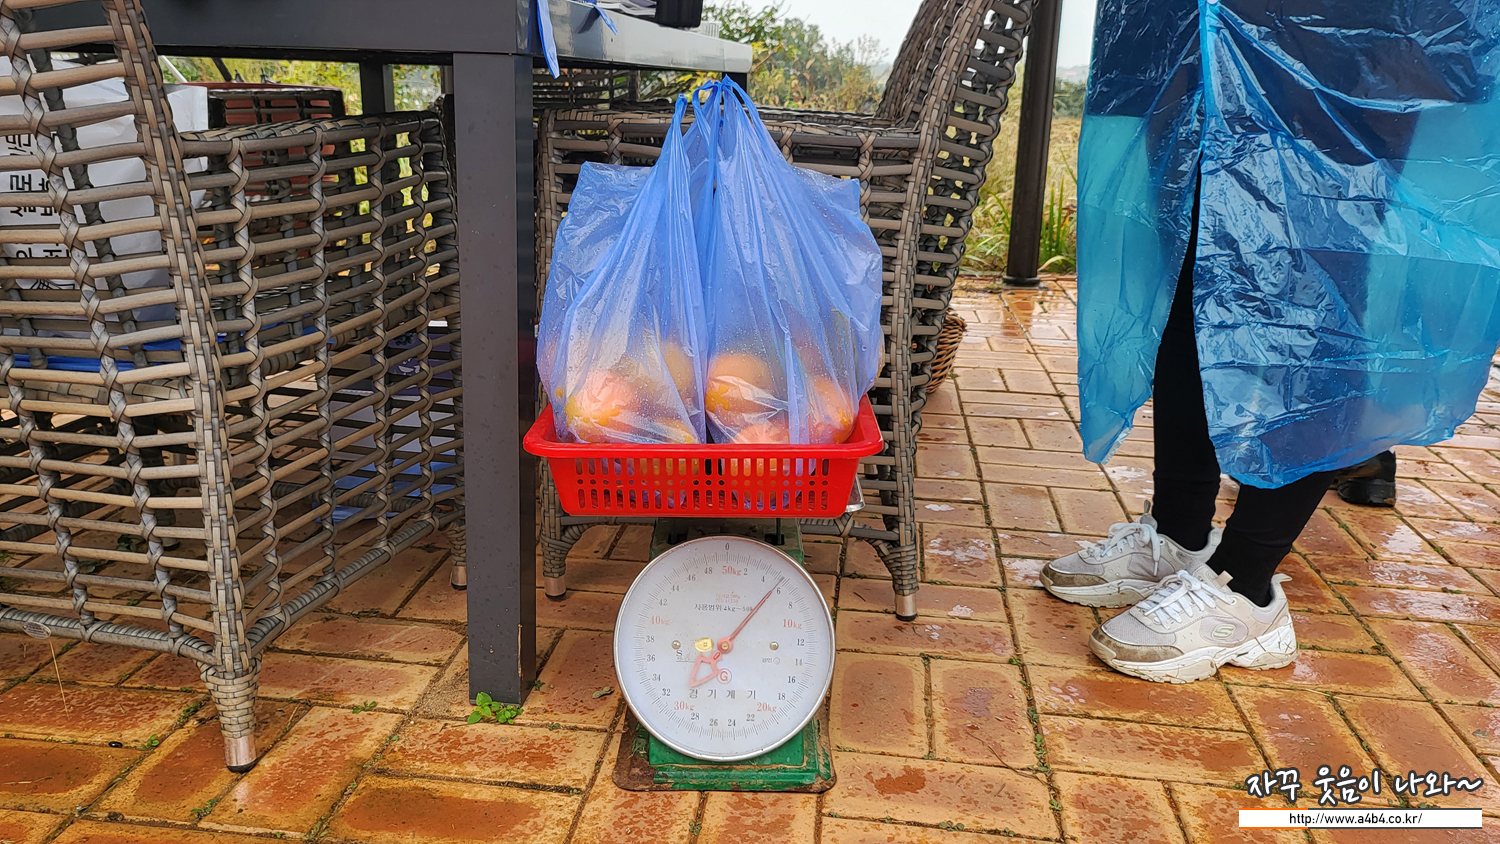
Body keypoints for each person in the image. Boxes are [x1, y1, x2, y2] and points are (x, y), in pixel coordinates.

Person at [1045, 0, 1500, 684]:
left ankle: (1246, 584)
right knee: (1192, 281)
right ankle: (1178, 533)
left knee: (1317, 307)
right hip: (1198, 33)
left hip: (1339, 44)